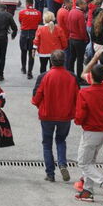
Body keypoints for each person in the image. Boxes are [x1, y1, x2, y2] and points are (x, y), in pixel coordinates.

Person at [73, 64, 103, 203]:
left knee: (83, 163)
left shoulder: (85, 93)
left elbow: (80, 114)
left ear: (91, 77)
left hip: (91, 131)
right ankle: (88, 191)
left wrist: (77, 120)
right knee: (90, 161)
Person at [31, 50, 78, 182]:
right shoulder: (72, 77)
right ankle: (62, 163)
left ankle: (50, 173)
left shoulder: (44, 76)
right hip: (65, 116)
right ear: (65, 60)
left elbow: (36, 96)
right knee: (61, 140)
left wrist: (39, 105)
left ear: (51, 61)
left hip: (47, 115)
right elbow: (77, 96)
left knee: (47, 143)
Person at [33, 11, 67, 75]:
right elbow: (64, 41)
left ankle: (43, 80)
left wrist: (34, 49)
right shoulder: (58, 29)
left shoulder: (40, 29)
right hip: (56, 53)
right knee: (54, 69)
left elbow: (36, 41)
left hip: (43, 52)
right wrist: (62, 48)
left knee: (43, 67)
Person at [18, 0, 42, 79]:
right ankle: (29, 72)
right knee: (32, 54)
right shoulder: (38, 13)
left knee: (23, 52)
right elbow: (39, 21)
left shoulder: (22, 12)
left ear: (26, 3)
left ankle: (23, 68)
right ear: (33, 3)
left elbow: (20, 21)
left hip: (24, 34)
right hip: (33, 34)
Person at [66, 0, 88, 79]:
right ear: (80, 4)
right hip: (79, 39)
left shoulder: (71, 11)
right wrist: (85, 39)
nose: (86, 5)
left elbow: (67, 24)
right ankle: (79, 77)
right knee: (80, 59)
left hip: (72, 38)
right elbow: (82, 29)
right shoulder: (80, 14)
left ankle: (71, 74)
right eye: (85, 4)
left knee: (72, 58)